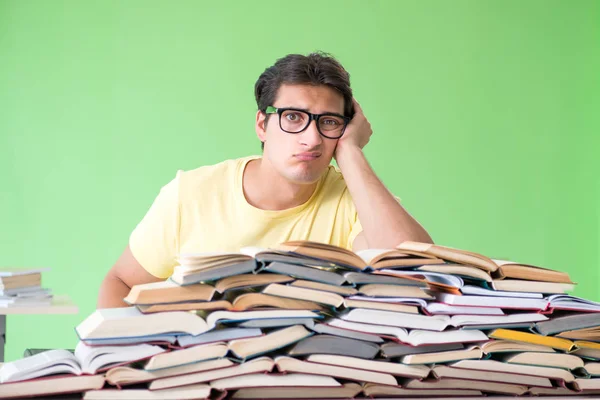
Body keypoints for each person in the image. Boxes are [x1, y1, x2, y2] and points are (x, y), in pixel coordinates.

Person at [97, 52, 433, 308]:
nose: (311, 139)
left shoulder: (355, 199)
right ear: (262, 125)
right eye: (293, 117)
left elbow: (415, 271)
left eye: (328, 122)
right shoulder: (192, 194)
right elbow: (121, 281)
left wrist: (350, 153)